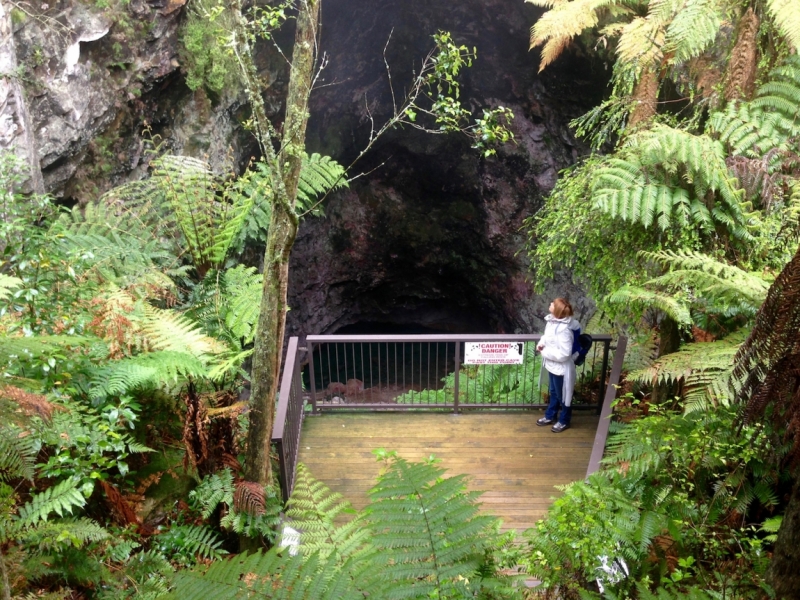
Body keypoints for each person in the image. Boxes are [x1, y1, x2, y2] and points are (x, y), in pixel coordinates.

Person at [536, 297, 581, 433]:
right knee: (554, 392)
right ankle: (551, 415)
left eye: (552, 304)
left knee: (563, 395)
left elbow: (565, 354)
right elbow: (546, 336)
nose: (550, 304)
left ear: (556, 310)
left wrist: (545, 353)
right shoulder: (552, 321)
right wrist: (541, 343)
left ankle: (564, 420)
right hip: (552, 365)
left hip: (561, 368)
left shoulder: (564, 330)